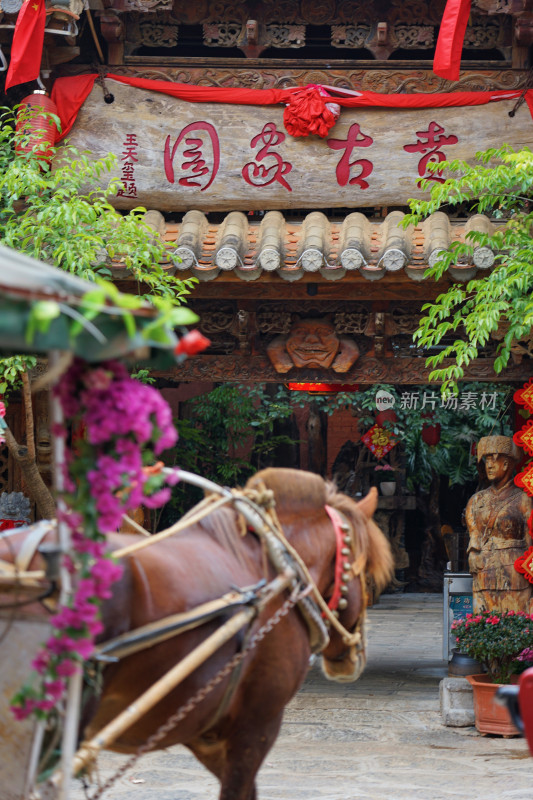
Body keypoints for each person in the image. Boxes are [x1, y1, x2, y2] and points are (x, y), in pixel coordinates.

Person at [465, 435, 532, 614]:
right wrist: (473, 554)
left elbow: (529, 541)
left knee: (517, 617)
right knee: (485, 618)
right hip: (485, 568)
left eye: (495, 459)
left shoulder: (524, 499)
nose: (490, 465)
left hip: (515, 569)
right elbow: (474, 535)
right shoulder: (476, 500)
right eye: (487, 460)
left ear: (507, 464)